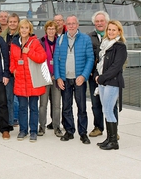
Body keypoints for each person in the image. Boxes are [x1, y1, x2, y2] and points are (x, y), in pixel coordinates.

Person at [54, 15, 94, 144]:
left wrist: (83, 76)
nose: (71, 26)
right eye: (69, 23)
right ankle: (69, 131)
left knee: (81, 107)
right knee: (66, 107)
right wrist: (58, 77)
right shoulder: (60, 39)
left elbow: (90, 59)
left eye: (73, 23)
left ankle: (83, 133)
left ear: (77, 25)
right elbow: (55, 60)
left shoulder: (85, 39)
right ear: (66, 24)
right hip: (65, 79)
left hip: (79, 79)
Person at [10, 19, 47, 142]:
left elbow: (42, 57)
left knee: (33, 108)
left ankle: (33, 131)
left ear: (30, 30)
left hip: (33, 81)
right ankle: (23, 130)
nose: (24, 30)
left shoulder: (35, 42)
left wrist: (29, 52)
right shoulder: (14, 43)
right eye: (22, 28)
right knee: (22, 107)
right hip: (20, 80)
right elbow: (12, 60)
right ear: (19, 30)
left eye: (26, 28)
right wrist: (13, 69)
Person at [94, 20, 127, 150]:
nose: (111, 32)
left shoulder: (120, 46)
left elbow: (116, 67)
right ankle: (109, 138)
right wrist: (97, 76)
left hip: (112, 82)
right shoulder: (105, 45)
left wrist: (101, 78)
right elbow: (99, 63)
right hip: (103, 82)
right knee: (105, 110)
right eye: (109, 29)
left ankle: (114, 141)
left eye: (114, 30)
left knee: (108, 110)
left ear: (119, 31)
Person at [88, 11, 111, 138]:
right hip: (94, 77)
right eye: (97, 21)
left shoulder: (113, 35)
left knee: (110, 104)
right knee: (96, 103)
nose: (99, 23)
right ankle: (98, 127)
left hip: (110, 77)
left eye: (102, 21)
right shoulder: (89, 36)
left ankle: (113, 130)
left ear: (106, 22)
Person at [38, 21, 63, 137]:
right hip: (44, 77)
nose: (51, 31)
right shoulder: (41, 42)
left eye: (53, 29)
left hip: (57, 77)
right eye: (49, 29)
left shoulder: (61, 41)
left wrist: (57, 75)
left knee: (57, 104)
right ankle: (41, 127)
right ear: (46, 30)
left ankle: (56, 127)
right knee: (43, 104)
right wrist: (47, 74)